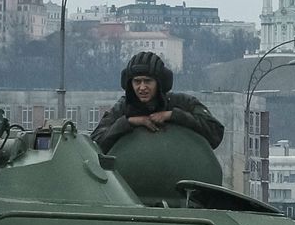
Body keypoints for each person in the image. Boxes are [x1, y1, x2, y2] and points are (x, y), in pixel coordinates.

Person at [90, 51, 225, 154]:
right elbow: (95, 143)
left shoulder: (182, 103)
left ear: (159, 83)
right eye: (137, 81)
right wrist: (129, 122)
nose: (142, 88)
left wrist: (173, 116)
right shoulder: (123, 108)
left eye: (148, 81)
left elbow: (215, 132)